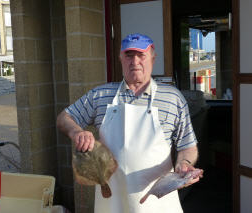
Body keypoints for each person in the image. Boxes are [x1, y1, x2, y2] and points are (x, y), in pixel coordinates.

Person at [57, 33, 200, 213]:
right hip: (111, 200)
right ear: (120, 59)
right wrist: (76, 132)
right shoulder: (100, 95)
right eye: (129, 55)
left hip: (157, 202)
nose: (135, 62)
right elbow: (64, 118)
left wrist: (184, 163)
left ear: (153, 58)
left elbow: (188, 146)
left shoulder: (173, 98)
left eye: (141, 55)